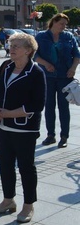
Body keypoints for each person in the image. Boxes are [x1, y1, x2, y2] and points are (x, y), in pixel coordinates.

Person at [0, 33, 46, 223]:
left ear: (28, 51)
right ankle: (8, 200)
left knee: (26, 167)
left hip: (24, 129)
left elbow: (37, 105)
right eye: (11, 45)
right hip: (2, 126)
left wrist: (9, 114)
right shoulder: (6, 66)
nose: (11, 48)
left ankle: (28, 205)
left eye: (17, 46)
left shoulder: (36, 72)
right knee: (5, 165)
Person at [34, 13, 80, 148]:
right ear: (54, 22)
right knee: (49, 106)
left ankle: (64, 136)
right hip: (47, 77)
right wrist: (45, 63)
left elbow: (77, 55)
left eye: (65, 24)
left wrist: (73, 68)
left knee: (63, 107)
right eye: (62, 24)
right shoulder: (41, 36)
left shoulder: (69, 37)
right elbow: (34, 55)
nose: (64, 27)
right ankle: (50, 135)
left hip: (65, 77)